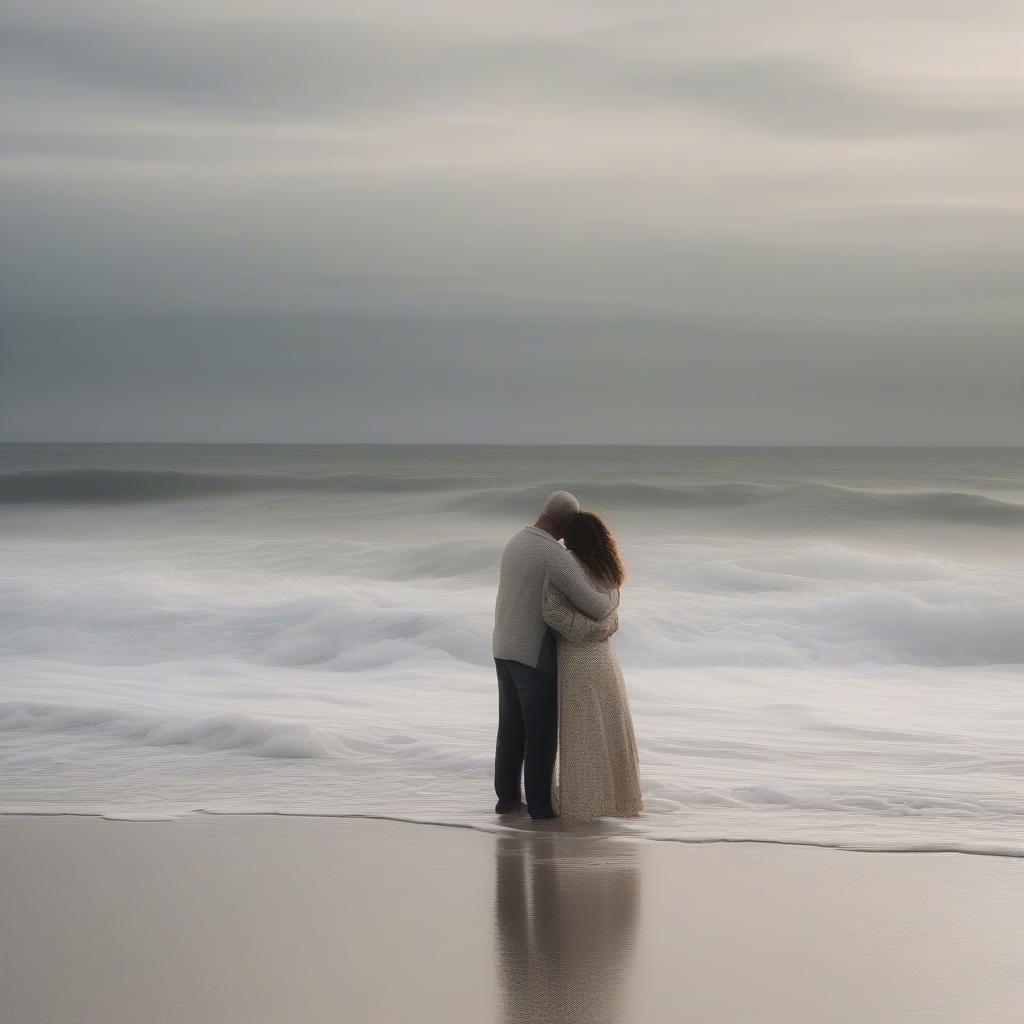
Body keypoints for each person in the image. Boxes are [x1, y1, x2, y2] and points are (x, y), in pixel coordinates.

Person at [492, 491, 619, 819]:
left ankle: (506, 801)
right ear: (564, 522)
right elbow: (595, 603)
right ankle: (539, 807)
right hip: (532, 652)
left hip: (502, 646)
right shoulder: (553, 554)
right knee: (540, 735)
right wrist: (613, 597)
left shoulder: (515, 541)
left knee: (510, 730)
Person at [542, 511, 643, 826]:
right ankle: (612, 800)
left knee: (585, 727)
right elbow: (609, 617)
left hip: (579, 655)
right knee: (602, 725)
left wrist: (587, 631)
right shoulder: (605, 570)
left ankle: (586, 803)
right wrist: (598, 629)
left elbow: (551, 612)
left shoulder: (571, 568)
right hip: (600, 653)